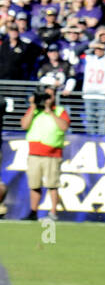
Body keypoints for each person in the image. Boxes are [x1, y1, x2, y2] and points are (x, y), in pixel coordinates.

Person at [20, 88, 70, 221]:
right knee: (34, 184)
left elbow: (64, 126)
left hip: (52, 154)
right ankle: (33, 212)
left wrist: (51, 112)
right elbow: (24, 125)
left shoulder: (59, 110)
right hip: (34, 153)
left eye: (49, 96)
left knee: (52, 184)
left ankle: (53, 212)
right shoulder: (34, 111)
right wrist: (32, 107)